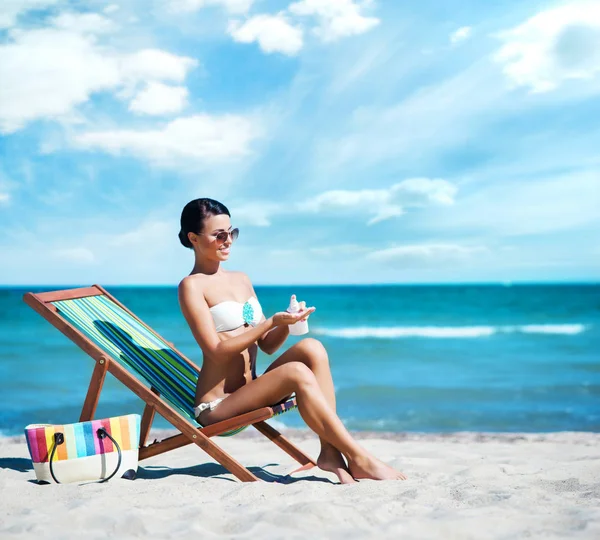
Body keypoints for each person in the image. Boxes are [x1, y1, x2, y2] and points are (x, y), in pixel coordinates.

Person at [177, 198, 406, 483]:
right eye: (219, 235)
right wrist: (270, 322)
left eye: (231, 233)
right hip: (218, 406)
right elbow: (216, 352)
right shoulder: (191, 286)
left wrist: (286, 322)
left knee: (312, 348)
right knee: (297, 372)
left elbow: (267, 346)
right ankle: (360, 458)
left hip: (251, 388)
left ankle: (330, 453)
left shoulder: (241, 279)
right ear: (193, 238)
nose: (228, 241)